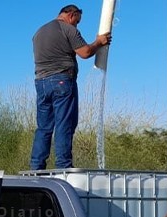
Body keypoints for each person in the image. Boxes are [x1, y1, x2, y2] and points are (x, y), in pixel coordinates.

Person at [29, 4, 111, 170]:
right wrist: (99, 42)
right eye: (77, 21)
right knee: (64, 123)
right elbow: (85, 52)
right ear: (71, 15)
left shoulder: (39, 32)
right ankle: (63, 166)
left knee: (44, 127)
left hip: (41, 82)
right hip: (62, 81)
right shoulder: (68, 29)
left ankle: (36, 167)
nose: (76, 25)